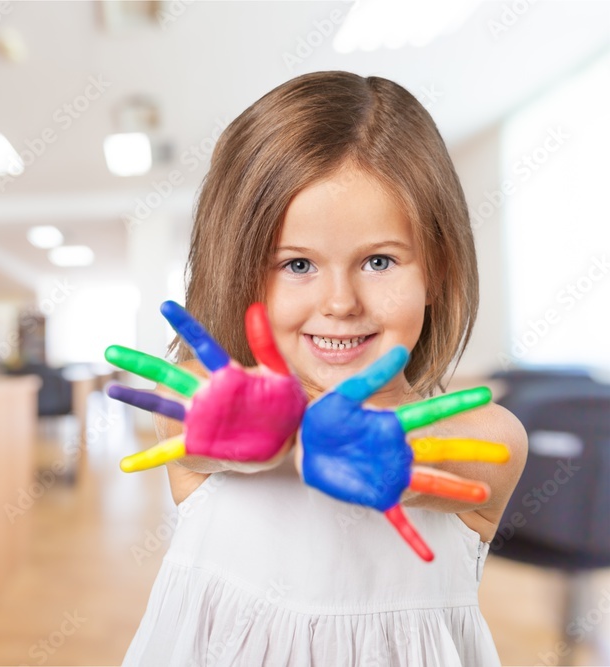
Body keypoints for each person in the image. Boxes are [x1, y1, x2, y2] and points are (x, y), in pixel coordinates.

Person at [118, 71, 528, 666]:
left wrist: (388, 449)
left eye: (380, 261)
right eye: (298, 265)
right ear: (241, 270)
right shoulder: (209, 415)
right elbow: (184, 417)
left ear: (436, 271)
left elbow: (487, 449)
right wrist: (259, 429)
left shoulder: (483, 438)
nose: (340, 302)